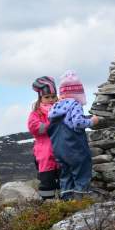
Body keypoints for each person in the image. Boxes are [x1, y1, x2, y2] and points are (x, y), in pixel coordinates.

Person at [48, 70, 99, 200]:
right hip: (74, 148)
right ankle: (81, 202)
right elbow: (78, 122)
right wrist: (92, 121)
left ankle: (67, 201)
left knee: (65, 175)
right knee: (81, 172)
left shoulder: (55, 108)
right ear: (78, 93)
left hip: (59, 149)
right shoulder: (75, 104)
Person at [27, 76, 60, 201]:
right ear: (40, 98)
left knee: (64, 180)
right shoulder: (36, 113)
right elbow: (34, 127)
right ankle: (48, 207)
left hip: (61, 152)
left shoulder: (62, 109)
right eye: (47, 97)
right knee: (47, 181)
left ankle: (66, 205)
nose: (51, 99)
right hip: (44, 154)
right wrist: (51, 124)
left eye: (53, 96)